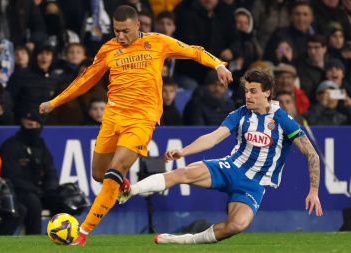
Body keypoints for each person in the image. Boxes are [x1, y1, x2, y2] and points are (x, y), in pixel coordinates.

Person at [39, 5, 232, 245]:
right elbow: (85, 79)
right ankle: (123, 185)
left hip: (142, 120)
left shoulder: (157, 42)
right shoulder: (109, 48)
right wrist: (54, 102)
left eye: (125, 31)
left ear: (138, 25)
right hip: (112, 118)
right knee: (99, 173)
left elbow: (193, 51)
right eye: (116, 31)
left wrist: (218, 65)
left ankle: (83, 232)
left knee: (114, 172)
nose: (120, 36)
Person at [119, 69, 323, 244]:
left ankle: (182, 240)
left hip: (254, 185)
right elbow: (213, 138)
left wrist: (313, 191)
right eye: (246, 91)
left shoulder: (283, 120)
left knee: (237, 225)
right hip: (230, 168)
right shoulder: (240, 114)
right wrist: (184, 151)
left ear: (267, 93)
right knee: (183, 173)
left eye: (253, 92)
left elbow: (311, 154)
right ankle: (131, 190)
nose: (248, 96)